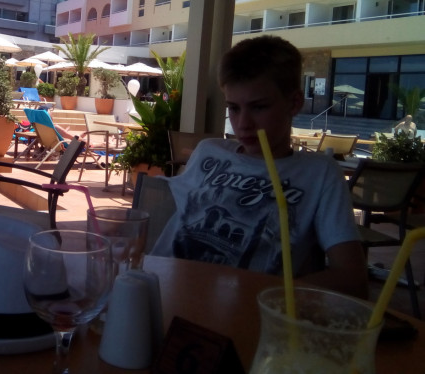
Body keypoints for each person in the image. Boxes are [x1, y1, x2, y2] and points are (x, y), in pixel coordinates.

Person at [152, 36, 368, 299]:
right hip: (162, 290)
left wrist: (267, 297)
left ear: (294, 103)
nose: (243, 124)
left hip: (248, 312)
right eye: (233, 108)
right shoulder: (209, 151)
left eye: (259, 107)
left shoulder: (320, 174)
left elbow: (352, 279)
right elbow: (175, 223)